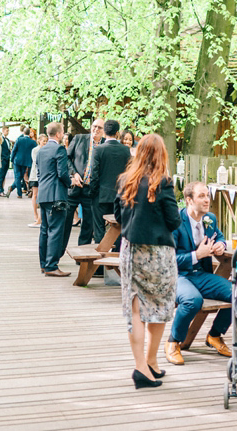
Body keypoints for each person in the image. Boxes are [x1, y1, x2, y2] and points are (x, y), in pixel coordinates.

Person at [113, 134, 180, 389]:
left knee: (136, 310)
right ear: (161, 154)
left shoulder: (124, 181)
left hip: (131, 252)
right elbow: (174, 221)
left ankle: (146, 363)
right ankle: (146, 365)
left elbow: (118, 216)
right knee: (160, 307)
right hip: (159, 254)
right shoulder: (163, 182)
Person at [164, 181, 233, 366]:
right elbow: (169, 259)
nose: (206, 200)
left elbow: (219, 235)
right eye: (201, 196)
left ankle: (215, 335)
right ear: (188, 200)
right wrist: (197, 255)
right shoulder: (176, 222)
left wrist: (222, 244)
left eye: (207, 196)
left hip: (201, 275)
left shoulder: (210, 218)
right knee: (192, 301)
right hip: (179, 275)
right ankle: (173, 341)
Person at [34, 121, 72, 277]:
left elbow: (39, 173)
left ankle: (44, 264)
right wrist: (71, 183)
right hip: (56, 195)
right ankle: (51, 266)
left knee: (44, 230)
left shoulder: (41, 151)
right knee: (56, 230)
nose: (63, 135)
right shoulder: (59, 149)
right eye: (62, 132)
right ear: (58, 134)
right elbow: (62, 173)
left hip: (43, 193)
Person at [88, 119, 130, 249]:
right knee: (118, 228)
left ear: (105, 132)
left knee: (99, 228)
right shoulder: (125, 150)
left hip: (101, 195)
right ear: (117, 133)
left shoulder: (98, 149)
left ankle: (100, 264)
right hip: (120, 195)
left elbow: (94, 174)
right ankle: (116, 258)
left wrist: (92, 192)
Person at [68, 118, 104, 245]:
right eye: (94, 126)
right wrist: (74, 174)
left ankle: (82, 258)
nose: (96, 129)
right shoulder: (79, 139)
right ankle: (57, 255)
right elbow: (67, 159)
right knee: (66, 223)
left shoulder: (105, 145)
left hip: (91, 190)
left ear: (104, 131)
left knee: (88, 226)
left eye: (100, 127)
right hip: (75, 187)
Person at [10, 126, 36, 199]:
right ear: (29, 133)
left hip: (17, 160)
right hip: (26, 162)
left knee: (18, 176)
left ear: (23, 132)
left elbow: (14, 150)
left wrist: (12, 159)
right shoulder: (33, 142)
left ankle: (18, 193)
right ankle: (15, 190)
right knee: (20, 176)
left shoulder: (19, 139)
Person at [0, 130, 12, 197]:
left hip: (7, 159)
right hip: (2, 159)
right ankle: (0, 191)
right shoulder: (0, 139)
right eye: (7, 130)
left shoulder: (7, 139)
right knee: (1, 176)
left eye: (8, 130)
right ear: (3, 131)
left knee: (3, 175)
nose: (8, 132)